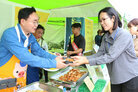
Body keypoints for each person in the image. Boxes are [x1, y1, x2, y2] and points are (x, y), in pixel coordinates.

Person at [69, 7, 138, 92]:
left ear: (113, 18)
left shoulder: (123, 35)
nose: (102, 23)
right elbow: (100, 53)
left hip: (129, 77)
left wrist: (86, 61)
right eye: (100, 21)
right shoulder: (105, 37)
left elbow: (110, 56)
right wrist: (84, 58)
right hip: (115, 78)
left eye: (104, 19)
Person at [0, 7, 67, 92]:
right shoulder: (10, 34)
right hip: (6, 79)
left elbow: (39, 52)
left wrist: (55, 58)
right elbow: (26, 57)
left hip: (20, 78)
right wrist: (54, 63)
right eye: (34, 22)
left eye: (37, 22)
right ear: (23, 21)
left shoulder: (30, 37)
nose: (36, 25)